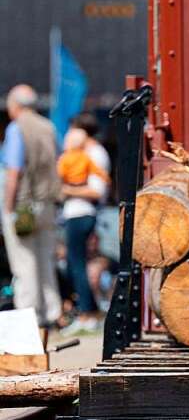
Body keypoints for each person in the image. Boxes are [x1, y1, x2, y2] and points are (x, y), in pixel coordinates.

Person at [1, 85, 62, 328]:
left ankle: (29, 318)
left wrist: (8, 206)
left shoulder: (16, 129)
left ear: (15, 106)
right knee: (46, 259)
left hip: (24, 205)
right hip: (47, 203)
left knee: (24, 261)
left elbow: (14, 171)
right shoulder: (48, 127)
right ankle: (53, 313)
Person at [56, 115, 110, 334]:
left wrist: (66, 190)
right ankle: (90, 309)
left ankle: (88, 313)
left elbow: (98, 190)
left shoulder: (95, 153)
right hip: (75, 214)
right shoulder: (79, 154)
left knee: (77, 264)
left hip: (82, 213)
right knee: (74, 263)